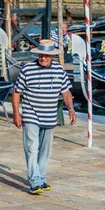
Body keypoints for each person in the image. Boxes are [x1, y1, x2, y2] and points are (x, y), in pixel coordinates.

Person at [12, 40, 77, 195]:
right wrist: (16, 113)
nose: (43, 58)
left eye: (47, 56)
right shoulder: (27, 69)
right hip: (31, 114)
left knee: (45, 151)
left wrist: (71, 109)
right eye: (41, 55)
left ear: (52, 56)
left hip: (50, 116)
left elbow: (66, 92)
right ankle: (34, 181)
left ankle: (40, 177)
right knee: (32, 148)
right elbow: (16, 92)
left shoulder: (59, 70)